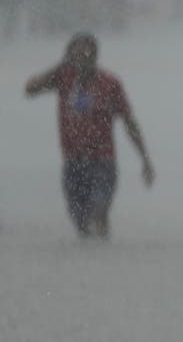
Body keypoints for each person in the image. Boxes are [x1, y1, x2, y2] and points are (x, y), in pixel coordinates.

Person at [24, 31, 154, 238]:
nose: (83, 56)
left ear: (96, 54)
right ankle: (89, 260)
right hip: (73, 162)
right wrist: (59, 65)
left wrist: (145, 159)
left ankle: (104, 258)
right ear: (69, 54)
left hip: (103, 161)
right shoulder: (63, 77)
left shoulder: (109, 83)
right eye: (77, 52)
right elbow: (30, 89)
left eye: (88, 51)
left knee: (100, 210)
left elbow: (130, 122)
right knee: (81, 222)